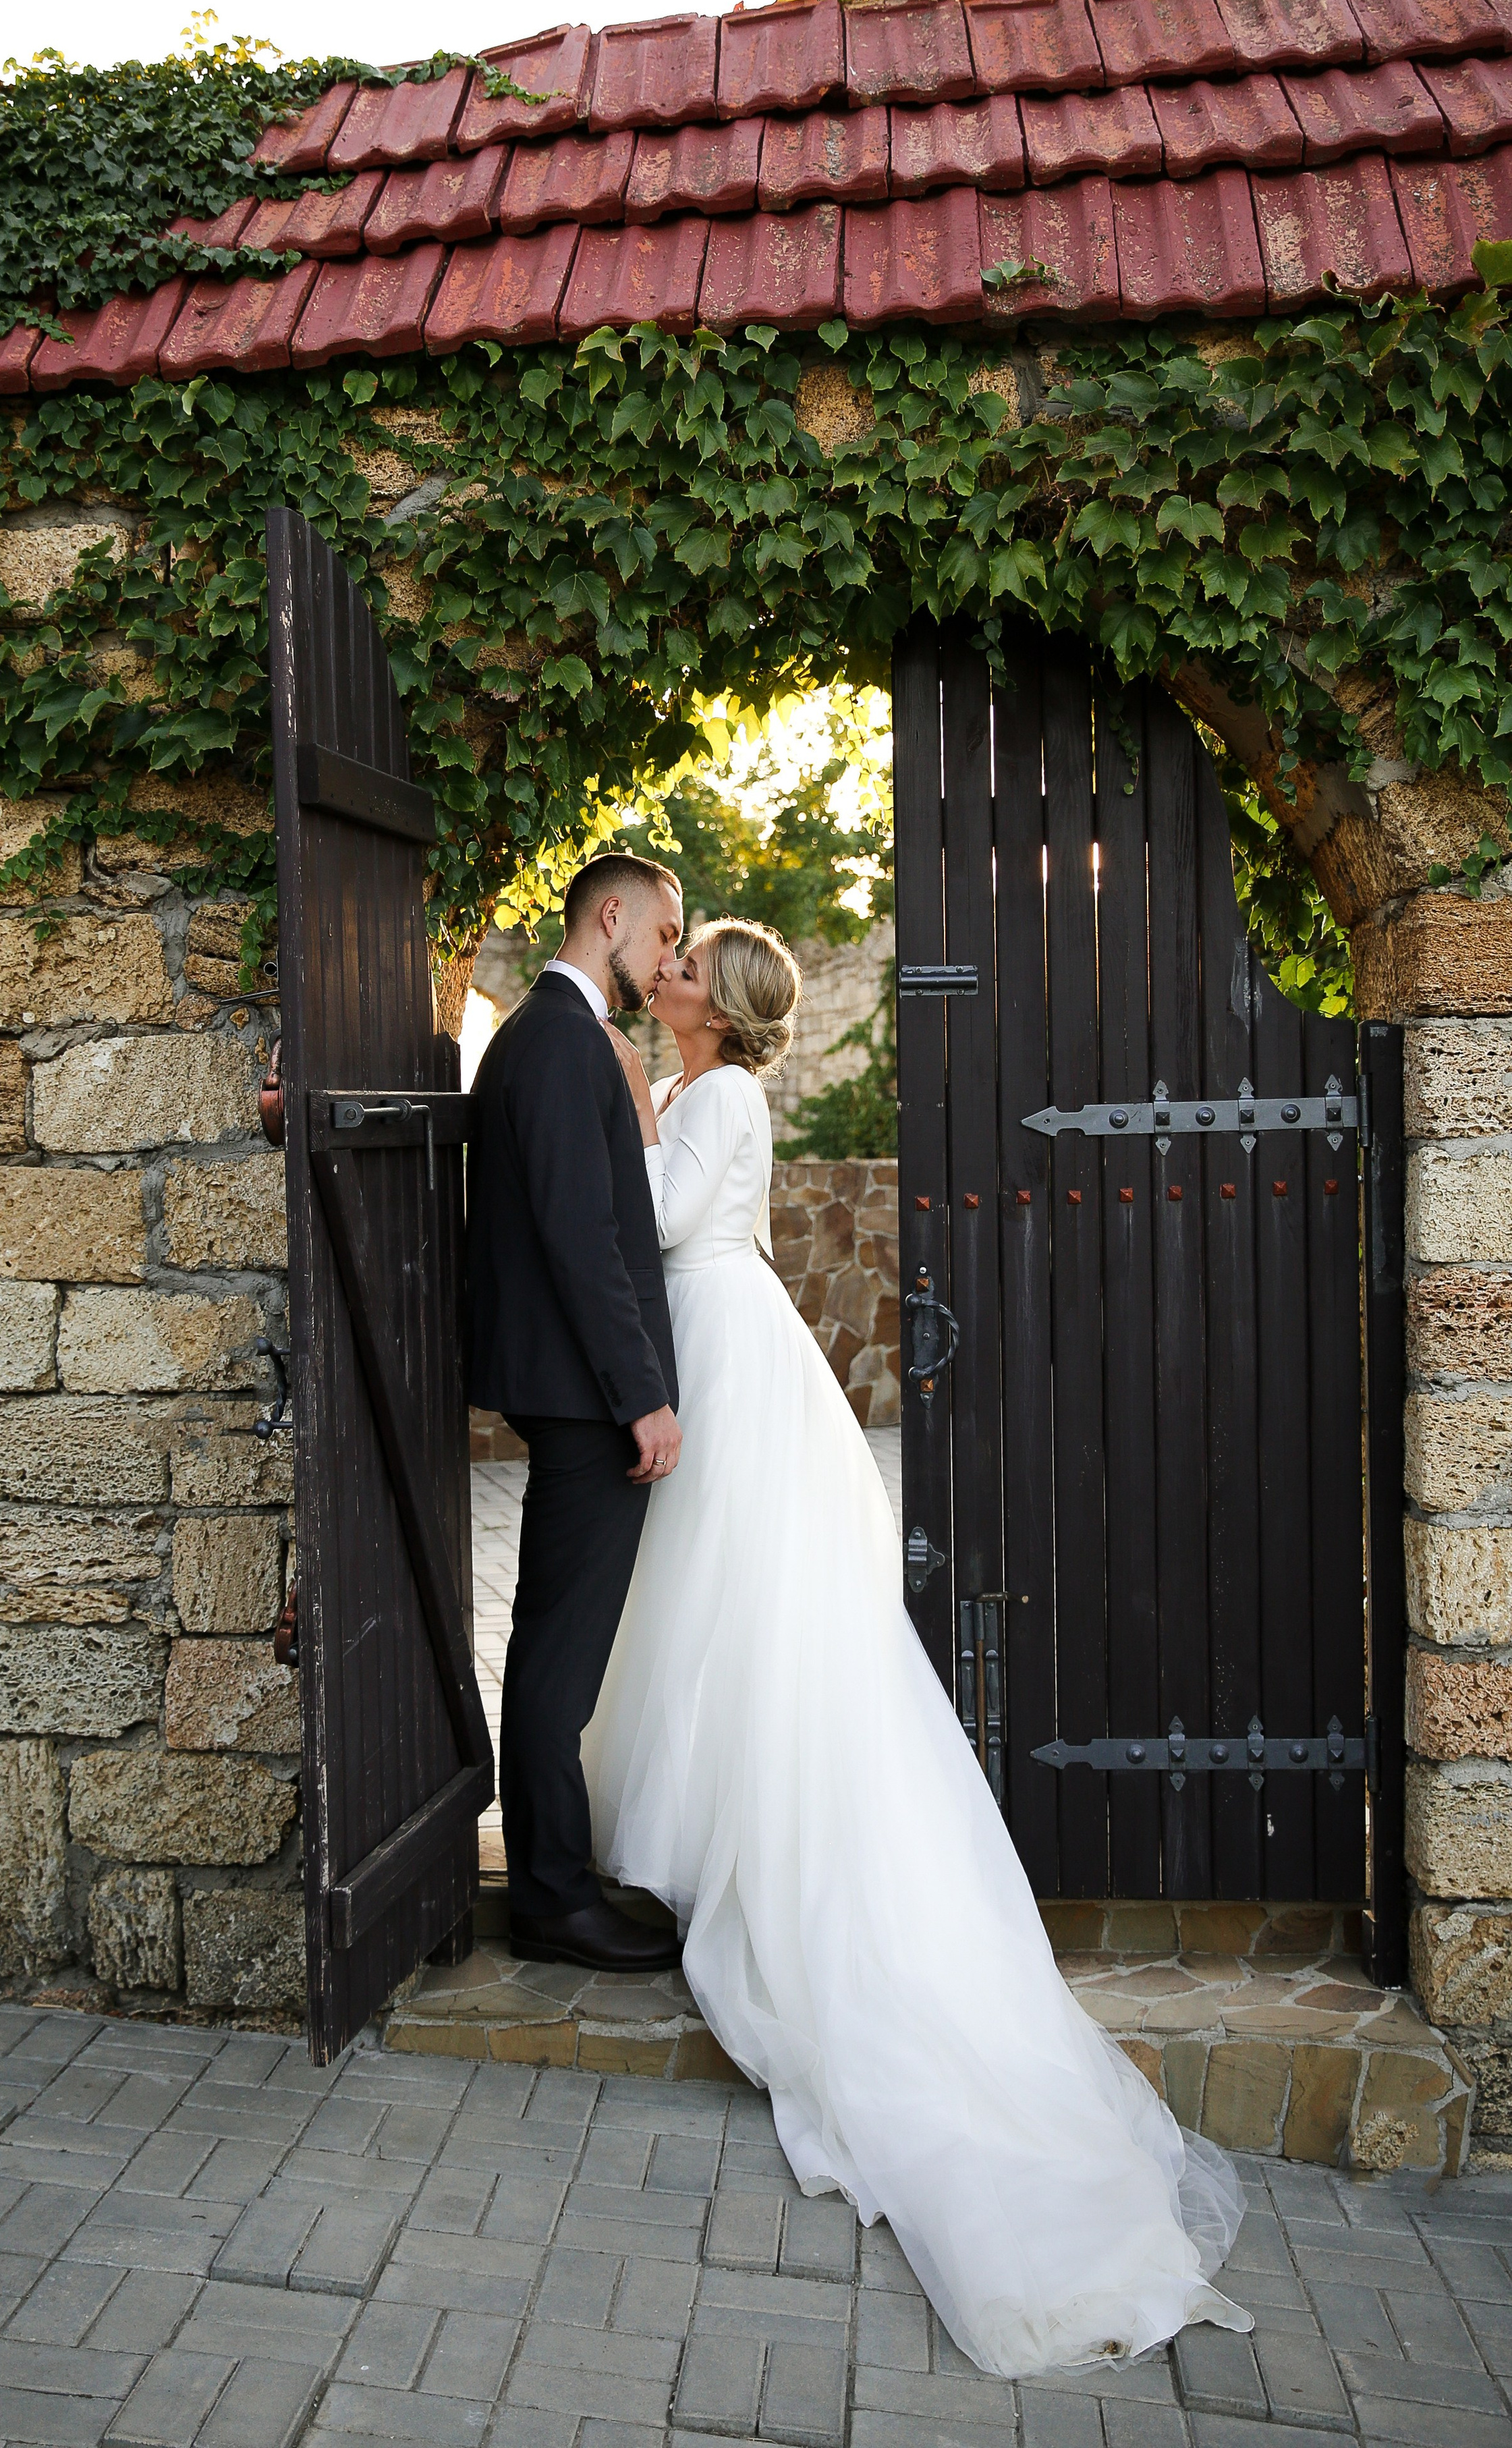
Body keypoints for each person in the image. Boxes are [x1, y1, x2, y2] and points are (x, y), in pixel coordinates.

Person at [585, 915, 1255, 2379]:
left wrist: (630, 1109)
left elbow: (642, 1224)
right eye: (672, 956)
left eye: (689, 965)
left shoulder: (721, 1094)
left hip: (720, 1347)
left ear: (724, 1007)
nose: (671, 972)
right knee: (708, 1611)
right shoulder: (702, 1090)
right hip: (717, 1339)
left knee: (735, 1611)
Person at [464, 852, 688, 1974]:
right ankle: (550, 1897)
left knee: (559, 1646)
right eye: (660, 938)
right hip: (586, 1403)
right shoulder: (556, 1040)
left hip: (572, 1394)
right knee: (558, 1654)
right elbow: (580, 1236)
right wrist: (640, 1394)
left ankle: (558, 1877)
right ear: (613, 918)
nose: (664, 963)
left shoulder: (555, 1035)